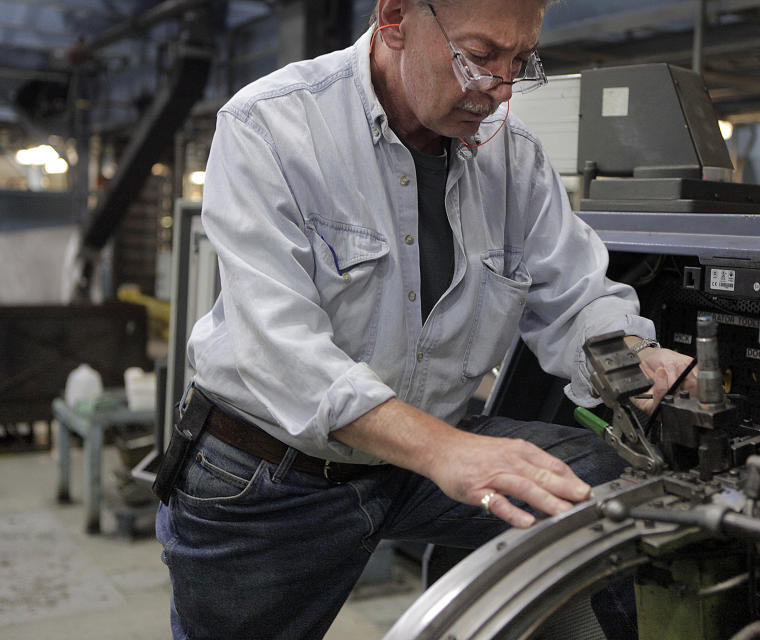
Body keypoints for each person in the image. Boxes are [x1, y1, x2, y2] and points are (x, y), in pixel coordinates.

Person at [154, 0, 696, 637]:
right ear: (393, 19)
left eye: (520, 62)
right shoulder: (273, 125)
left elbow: (575, 298)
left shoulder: (513, 157)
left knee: (608, 484)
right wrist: (449, 453)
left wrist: (635, 358)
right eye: (481, 56)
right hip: (271, 475)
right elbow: (283, 351)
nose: (498, 87)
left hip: (418, 462)